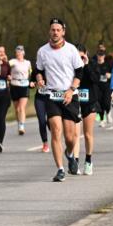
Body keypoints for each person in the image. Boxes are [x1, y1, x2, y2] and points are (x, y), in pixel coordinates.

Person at [35, 18, 83, 182]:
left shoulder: (71, 50)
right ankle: (60, 169)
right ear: (49, 31)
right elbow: (38, 70)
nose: (55, 32)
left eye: (58, 30)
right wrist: (40, 79)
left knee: (70, 138)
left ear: (63, 32)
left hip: (69, 96)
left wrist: (71, 90)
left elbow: (79, 72)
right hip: (52, 95)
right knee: (56, 131)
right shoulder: (42, 51)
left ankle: (69, 154)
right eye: (52, 29)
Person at [75, 46, 100, 175]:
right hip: (75, 101)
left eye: (82, 56)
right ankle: (75, 161)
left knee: (87, 134)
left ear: (86, 54)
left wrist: (86, 65)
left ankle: (88, 161)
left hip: (90, 102)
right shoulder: (71, 65)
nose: (79, 58)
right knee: (75, 135)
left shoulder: (93, 64)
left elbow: (95, 80)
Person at [8, 45, 32, 138]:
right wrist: (8, 76)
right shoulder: (13, 61)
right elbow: (6, 67)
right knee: (17, 109)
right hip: (14, 86)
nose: (19, 53)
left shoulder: (27, 63)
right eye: (17, 51)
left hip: (24, 86)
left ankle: (22, 126)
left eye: (21, 51)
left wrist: (31, 82)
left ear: (23, 53)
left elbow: (30, 72)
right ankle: (19, 124)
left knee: (21, 107)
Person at [0, 45, 12, 152]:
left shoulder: (6, 64)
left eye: (3, 51)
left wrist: (9, 77)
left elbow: (9, 75)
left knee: (1, 118)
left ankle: (0, 141)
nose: (1, 53)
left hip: (4, 95)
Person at [94, 45, 113, 128]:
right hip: (97, 87)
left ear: (104, 56)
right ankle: (102, 120)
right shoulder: (94, 65)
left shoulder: (108, 64)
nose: (100, 56)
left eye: (102, 55)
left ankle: (108, 112)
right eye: (99, 55)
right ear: (97, 55)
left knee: (106, 102)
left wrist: (110, 75)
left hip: (106, 86)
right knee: (100, 103)